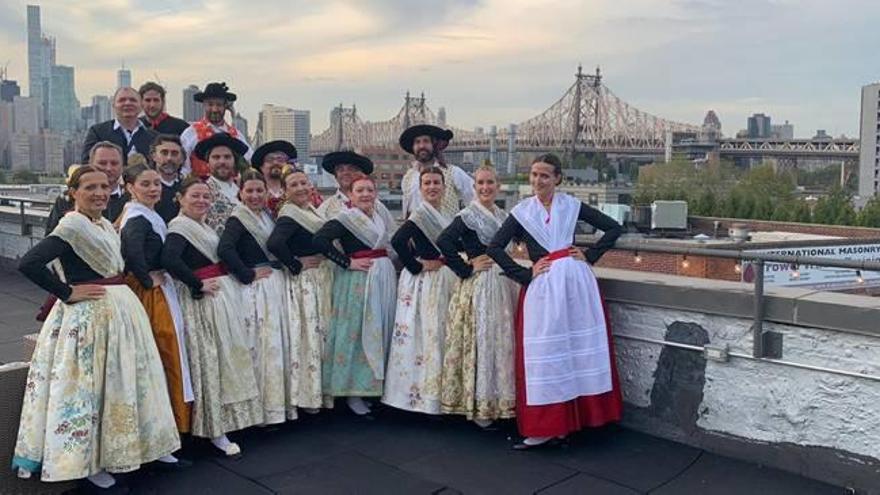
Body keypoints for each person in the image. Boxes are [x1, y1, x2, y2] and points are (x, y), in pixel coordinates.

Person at [14, 166, 180, 489]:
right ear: (73, 192)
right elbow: (28, 263)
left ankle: (141, 447)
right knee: (91, 390)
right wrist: (67, 291)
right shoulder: (72, 226)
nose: (99, 193)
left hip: (120, 313)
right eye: (90, 187)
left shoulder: (104, 224)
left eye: (104, 186)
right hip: (90, 318)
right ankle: (91, 463)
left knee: (127, 382)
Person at [486, 153, 624, 449]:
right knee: (546, 357)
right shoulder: (523, 212)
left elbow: (614, 227)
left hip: (576, 285)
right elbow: (495, 247)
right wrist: (524, 274)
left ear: (557, 178)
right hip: (544, 288)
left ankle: (574, 422)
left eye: (544, 175)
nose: (537, 181)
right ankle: (548, 425)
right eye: (534, 175)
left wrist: (591, 255)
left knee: (575, 351)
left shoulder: (571, 205)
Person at [162, 177, 263, 458]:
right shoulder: (179, 228)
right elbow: (169, 259)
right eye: (195, 196)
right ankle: (215, 429)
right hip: (203, 303)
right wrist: (197, 283)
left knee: (228, 358)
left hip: (221, 298)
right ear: (180, 198)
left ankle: (229, 420)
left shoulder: (202, 225)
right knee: (210, 361)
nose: (201, 201)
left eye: (206, 196)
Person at [437, 165, 517, 427]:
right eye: (480, 183)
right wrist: (465, 268)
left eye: (490, 183)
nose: (485, 188)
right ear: (474, 187)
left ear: (498, 186)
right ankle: (480, 405)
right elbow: (444, 241)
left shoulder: (503, 215)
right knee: (481, 340)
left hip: (502, 283)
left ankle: (499, 401)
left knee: (501, 340)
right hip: (480, 284)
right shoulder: (468, 215)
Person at [313, 173, 397, 416]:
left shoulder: (380, 217)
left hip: (382, 280)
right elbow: (319, 241)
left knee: (378, 331)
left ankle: (371, 388)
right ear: (350, 195)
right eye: (359, 191)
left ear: (376, 194)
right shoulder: (345, 219)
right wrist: (346, 262)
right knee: (357, 333)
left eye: (369, 190)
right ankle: (352, 392)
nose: (365, 195)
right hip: (357, 282)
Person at [119, 163, 194, 433]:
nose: (153, 189)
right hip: (151, 295)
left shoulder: (146, 214)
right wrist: (148, 279)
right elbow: (132, 253)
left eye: (156, 184)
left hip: (158, 288)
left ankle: (174, 422)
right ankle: (170, 424)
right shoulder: (136, 218)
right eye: (145, 184)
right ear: (130, 187)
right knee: (166, 350)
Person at [382, 167, 457, 414]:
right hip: (425, 282)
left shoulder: (446, 214)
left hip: (444, 278)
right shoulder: (419, 214)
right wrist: (415, 265)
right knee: (423, 336)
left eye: (437, 182)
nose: (433, 187)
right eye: (427, 183)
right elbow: (397, 242)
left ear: (444, 188)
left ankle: (439, 396)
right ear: (421, 188)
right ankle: (418, 399)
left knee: (440, 334)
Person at [218, 170, 290, 424]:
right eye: (249, 191)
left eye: (259, 190)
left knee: (275, 345)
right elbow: (224, 249)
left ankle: (277, 407)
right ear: (241, 193)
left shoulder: (268, 217)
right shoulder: (238, 219)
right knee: (260, 346)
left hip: (275, 285)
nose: (255, 195)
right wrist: (247, 274)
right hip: (256, 289)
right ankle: (260, 411)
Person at [267, 168, 331, 414]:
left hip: (319, 279)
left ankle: (321, 392)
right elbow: (274, 243)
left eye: (304, 183)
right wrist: (295, 263)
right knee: (308, 337)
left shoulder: (309, 210)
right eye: (294, 185)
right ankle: (309, 396)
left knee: (320, 334)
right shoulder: (289, 214)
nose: (301, 188)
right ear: (285, 191)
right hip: (305, 282)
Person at [45, 141, 129, 234]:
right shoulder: (69, 198)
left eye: (114, 163)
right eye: (102, 163)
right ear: (90, 164)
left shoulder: (131, 200)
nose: (108, 168)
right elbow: (52, 237)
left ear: (122, 167)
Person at [399, 124, 474, 218]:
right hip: (415, 231)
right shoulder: (407, 178)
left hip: (445, 230)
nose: (422, 146)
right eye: (417, 142)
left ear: (434, 145)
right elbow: (407, 211)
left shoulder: (453, 172)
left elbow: (475, 199)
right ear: (413, 147)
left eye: (426, 141)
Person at [180, 82, 252, 177]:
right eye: (210, 105)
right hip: (201, 188)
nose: (214, 109)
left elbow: (250, 160)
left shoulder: (236, 135)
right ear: (204, 105)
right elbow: (184, 166)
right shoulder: (191, 132)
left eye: (219, 105)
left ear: (225, 106)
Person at [82, 86, 159, 164]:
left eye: (133, 100)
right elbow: (87, 163)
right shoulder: (98, 132)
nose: (128, 103)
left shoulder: (154, 137)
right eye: (122, 100)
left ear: (141, 106)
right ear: (113, 105)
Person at [317, 150, 393, 227]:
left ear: (361, 175)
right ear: (336, 176)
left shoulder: (377, 206)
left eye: (351, 169)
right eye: (340, 169)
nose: (346, 173)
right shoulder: (326, 209)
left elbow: (391, 232)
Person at [192, 133, 248, 235]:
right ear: (207, 162)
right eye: (216, 157)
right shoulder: (201, 193)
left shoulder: (244, 190)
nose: (222, 162)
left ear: (234, 161)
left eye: (227, 157)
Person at [251, 140, 296, 216]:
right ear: (261, 167)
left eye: (280, 159)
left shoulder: (297, 189)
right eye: (270, 160)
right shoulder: (253, 192)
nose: (275, 163)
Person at [151, 134, 186, 223]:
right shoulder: (143, 186)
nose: (169, 158)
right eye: (164, 153)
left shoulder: (187, 187)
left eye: (174, 153)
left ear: (182, 158)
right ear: (154, 156)